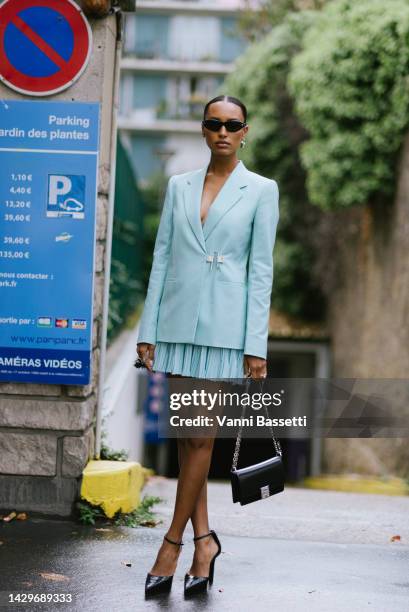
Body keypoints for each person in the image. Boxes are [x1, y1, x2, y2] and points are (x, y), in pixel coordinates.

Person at [136, 94, 280, 597]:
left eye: (232, 124)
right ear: (203, 130)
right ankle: (205, 541)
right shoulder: (178, 187)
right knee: (186, 438)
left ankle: (172, 543)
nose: (222, 131)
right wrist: (147, 329)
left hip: (225, 331)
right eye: (213, 123)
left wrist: (255, 345)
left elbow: (261, 271)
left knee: (199, 439)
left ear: (245, 132)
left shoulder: (262, 190)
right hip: (175, 323)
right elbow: (162, 258)